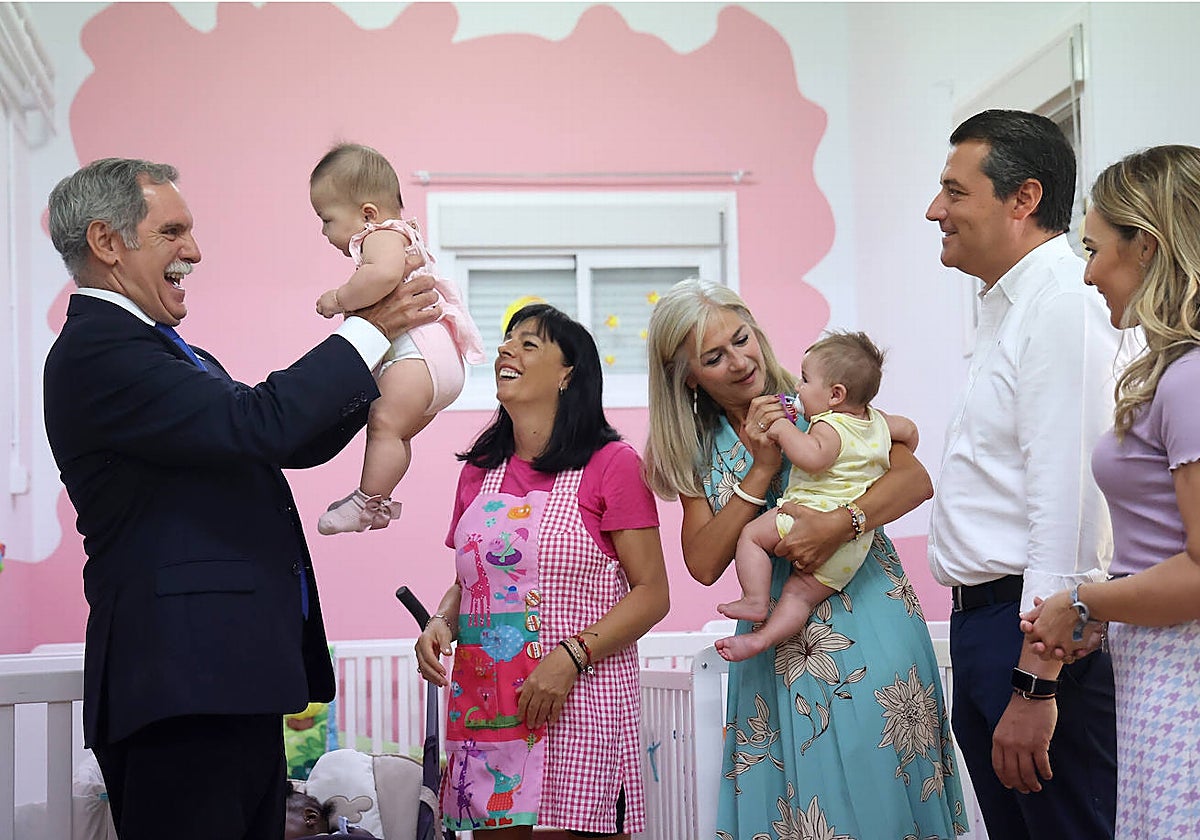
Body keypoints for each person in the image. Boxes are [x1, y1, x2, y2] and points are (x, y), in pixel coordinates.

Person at [42, 157, 441, 840]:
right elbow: (264, 422)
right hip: (181, 686)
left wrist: (392, 370)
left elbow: (278, 439)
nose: (193, 252)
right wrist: (369, 327)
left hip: (222, 682)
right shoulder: (99, 351)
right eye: (172, 231)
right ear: (108, 243)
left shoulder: (162, 352)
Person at [643, 278, 965, 838]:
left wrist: (840, 524)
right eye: (715, 357)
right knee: (793, 810)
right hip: (772, 647)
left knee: (876, 792)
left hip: (866, 619)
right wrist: (762, 470)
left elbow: (915, 479)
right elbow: (701, 563)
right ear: (687, 376)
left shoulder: (819, 398)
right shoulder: (691, 447)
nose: (741, 362)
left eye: (742, 339)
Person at [924, 109, 1119, 839]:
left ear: (1024, 198)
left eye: (954, 191)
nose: (935, 210)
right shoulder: (1006, 310)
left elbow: (1073, 509)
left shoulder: (1064, 304)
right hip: (988, 622)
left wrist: (1039, 681)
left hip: (1033, 628)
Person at [415, 304, 669, 838]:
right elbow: (471, 584)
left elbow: (651, 594)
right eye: (508, 341)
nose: (508, 350)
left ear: (567, 373)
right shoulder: (478, 474)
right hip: (490, 708)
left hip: (579, 700)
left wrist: (570, 657)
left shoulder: (612, 464)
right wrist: (442, 619)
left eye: (529, 344)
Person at [1019, 144, 1200, 839]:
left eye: (1095, 249)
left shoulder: (1188, 381)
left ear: (1147, 246)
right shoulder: (1172, 374)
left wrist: (1084, 599)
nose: (1088, 271)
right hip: (1157, 662)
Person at [310, 143, 485, 535]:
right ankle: (376, 499)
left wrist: (339, 298)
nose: (323, 231)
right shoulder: (403, 235)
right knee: (394, 433)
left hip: (419, 356)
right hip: (438, 364)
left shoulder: (381, 236)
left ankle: (365, 500)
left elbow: (383, 276)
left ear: (367, 214)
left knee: (384, 423)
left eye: (326, 219)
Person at [715, 330, 919, 662]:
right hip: (853, 548)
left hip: (810, 512)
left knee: (752, 536)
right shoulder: (878, 423)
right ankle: (762, 639)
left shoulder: (828, 424)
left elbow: (814, 458)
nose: (797, 387)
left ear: (835, 395)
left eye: (806, 380)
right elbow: (909, 430)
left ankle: (755, 600)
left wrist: (782, 430)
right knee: (801, 596)